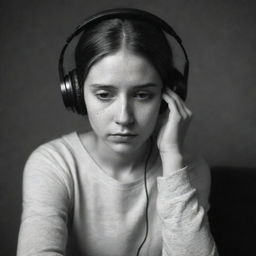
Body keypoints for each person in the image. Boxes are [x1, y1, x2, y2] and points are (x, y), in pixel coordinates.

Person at [17, 8, 218, 256]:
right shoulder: (53, 164)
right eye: (104, 95)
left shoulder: (189, 168)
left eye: (142, 95)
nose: (124, 117)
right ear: (77, 94)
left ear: (167, 98)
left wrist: (173, 161)